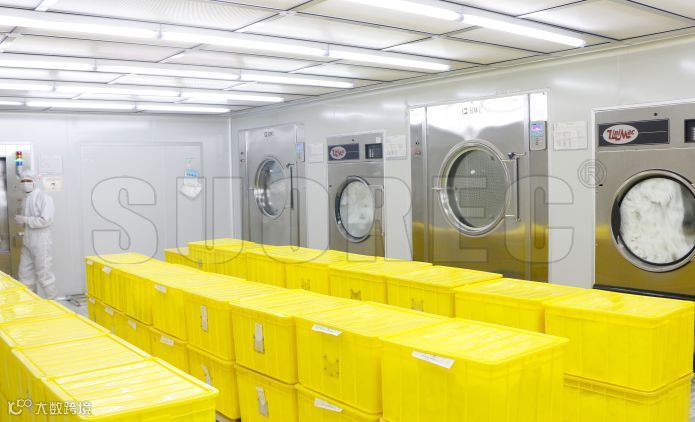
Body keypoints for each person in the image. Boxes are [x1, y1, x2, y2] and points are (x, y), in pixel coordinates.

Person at [15, 171, 57, 299]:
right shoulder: (26, 199)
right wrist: (23, 221)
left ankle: (53, 304)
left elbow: (46, 220)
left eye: (28, 181)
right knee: (24, 274)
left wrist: (25, 219)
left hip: (41, 240)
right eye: (23, 181)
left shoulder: (44, 198)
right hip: (28, 239)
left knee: (44, 274)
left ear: (35, 182)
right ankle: (30, 303)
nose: (25, 183)